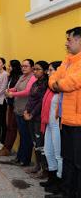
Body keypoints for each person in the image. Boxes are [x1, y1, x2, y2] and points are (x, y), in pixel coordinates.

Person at [49, 27, 81, 197]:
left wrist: (58, 83)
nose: (66, 43)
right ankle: (67, 191)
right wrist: (57, 82)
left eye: (69, 39)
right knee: (67, 158)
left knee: (78, 162)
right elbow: (53, 78)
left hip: (78, 121)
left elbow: (71, 82)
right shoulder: (68, 61)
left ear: (79, 40)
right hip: (65, 118)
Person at [7, 59, 36, 167]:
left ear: (32, 67)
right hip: (18, 109)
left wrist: (12, 95)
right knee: (22, 135)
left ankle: (25, 159)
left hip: (25, 110)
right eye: (22, 66)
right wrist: (9, 90)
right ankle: (19, 157)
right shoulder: (22, 77)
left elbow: (27, 92)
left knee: (26, 137)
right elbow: (15, 88)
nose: (23, 68)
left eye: (26, 66)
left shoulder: (32, 78)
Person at [23, 60, 49, 178]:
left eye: (38, 69)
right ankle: (37, 165)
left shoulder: (45, 84)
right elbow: (31, 99)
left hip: (38, 117)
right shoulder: (35, 83)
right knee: (35, 142)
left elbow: (41, 102)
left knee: (40, 143)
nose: (35, 71)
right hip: (30, 116)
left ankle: (44, 169)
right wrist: (26, 110)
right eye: (35, 69)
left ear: (44, 71)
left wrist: (32, 114)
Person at [40, 61, 62, 194]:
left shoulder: (60, 88)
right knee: (48, 151)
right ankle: (51, 178)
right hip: (48, 123)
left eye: (51, 70)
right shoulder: (49, 88)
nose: (48, 72)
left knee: (58, 154)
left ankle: (60, 182)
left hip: (57, 124)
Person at [0, 60, 22, 156]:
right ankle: (6, 146)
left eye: (10, 66)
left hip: (15, 104)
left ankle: (8, 148)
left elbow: (18, 90)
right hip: (9, 103)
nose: (8, 68)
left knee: (12, 126)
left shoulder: (18, 77)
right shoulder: (11, 76)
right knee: (9, 126)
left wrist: (10, 92)